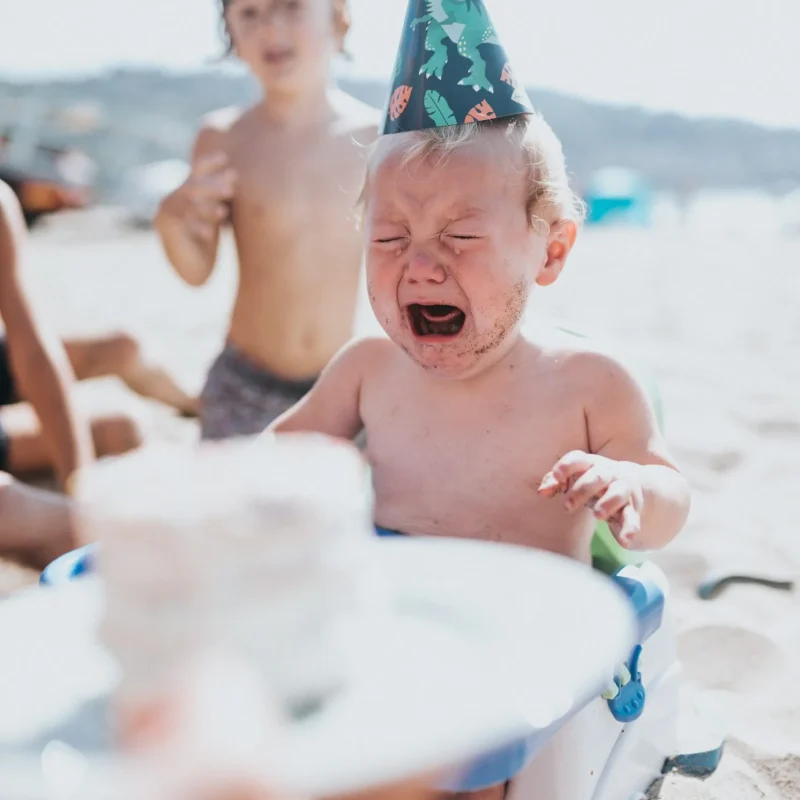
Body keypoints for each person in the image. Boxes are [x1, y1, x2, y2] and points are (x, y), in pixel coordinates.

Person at [265, 3, 690, 796]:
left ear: (551, 248)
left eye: (460, 237)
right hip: (384, 621)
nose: (420, 266)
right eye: (389, 240)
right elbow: (274, 456)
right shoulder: (366, 369)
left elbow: (668, 498)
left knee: (469, 767)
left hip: (518, 644)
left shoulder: (589, 381)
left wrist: (632, 488)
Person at [155, 0, 379, 441]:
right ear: (231, 35)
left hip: (339, 385)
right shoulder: (223, 138)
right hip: (243, 384)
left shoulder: (376, 138)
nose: (270, 25)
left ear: (339, 17)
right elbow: (197, 271)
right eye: (249, 13)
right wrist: (170, 221)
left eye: (290, 6)